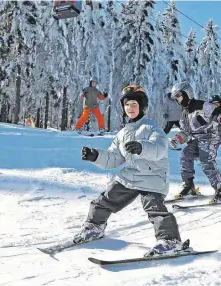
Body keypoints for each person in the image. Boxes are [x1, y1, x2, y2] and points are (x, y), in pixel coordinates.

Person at [73, 85, 191, 257]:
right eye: (127, 105)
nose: (130, 109)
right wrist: (95, 156)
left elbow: (159, 148)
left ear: (142, 106)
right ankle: (94, 227)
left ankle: (170, 241)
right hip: (131, 176)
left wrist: (141, 147)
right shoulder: (122, 133)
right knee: (105, 199)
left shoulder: (152, 128)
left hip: (153, 176)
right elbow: (114, 157)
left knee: (154, 208)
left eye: (134, 104)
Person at [170, 81, 221, 203]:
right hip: (198, 139)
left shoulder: (202, 105)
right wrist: (178, 138)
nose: (177, 100)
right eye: (176, 98)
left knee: (206, 160)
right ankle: (189, 186)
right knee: (185, 155)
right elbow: (186, 131)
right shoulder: (184, 113)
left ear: (186, 93)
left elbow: (216, 111)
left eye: (179, 96)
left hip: (210, 137)